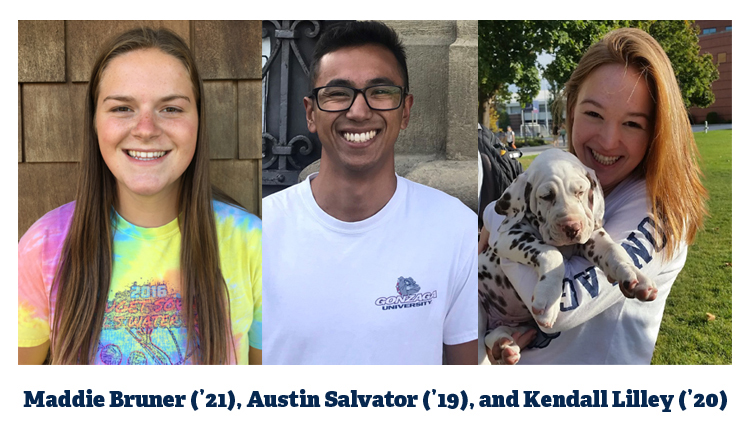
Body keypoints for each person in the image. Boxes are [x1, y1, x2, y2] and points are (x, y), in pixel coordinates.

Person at [18, 28, 262, 365]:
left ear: (198, 122)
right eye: (122, 108)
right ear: (95, 122)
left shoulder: (252, 243)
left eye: (171, 109)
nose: (146, 129)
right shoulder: (43, 246)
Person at [479, 27, 707, 364]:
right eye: (594, 114)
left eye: (632, 123)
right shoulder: (574, 183)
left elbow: (565, 304)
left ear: (657, 129)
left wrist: (497, 220)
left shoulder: (660, 212)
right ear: (572, 109)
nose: (608, 141)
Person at [262, 21, 477, 364]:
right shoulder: (259, 231)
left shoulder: (456, 229)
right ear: (310, 113)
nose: (359, 111)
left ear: (405, 111)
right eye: (337, 93)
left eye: (380, 92)